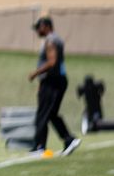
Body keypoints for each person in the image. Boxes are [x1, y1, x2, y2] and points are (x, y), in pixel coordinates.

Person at [28, 16, 81, 157]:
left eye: (38, 27)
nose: (37, 31)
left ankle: (39, 146)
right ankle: (69, 139)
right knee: (50, 114)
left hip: (53, 81)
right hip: (54, 81)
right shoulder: (53, 39)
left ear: (46, 26)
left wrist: (35, 73)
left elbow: (52, 62)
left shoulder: (51, 40)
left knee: (43, 114)